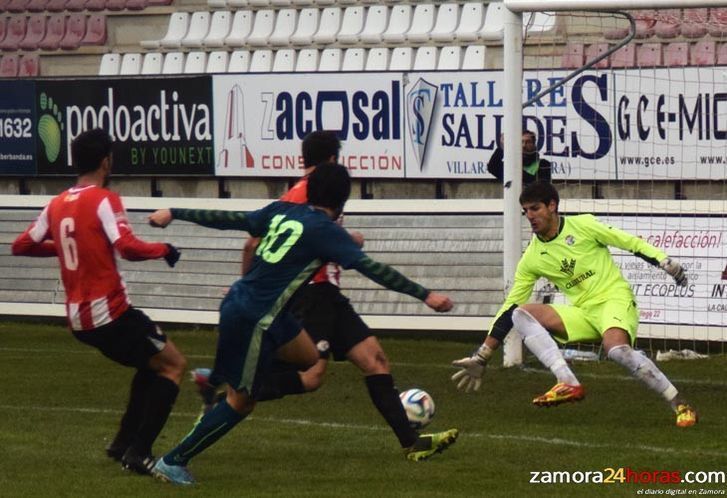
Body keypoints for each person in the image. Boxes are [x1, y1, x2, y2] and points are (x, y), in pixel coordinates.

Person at [148, 163, 458, 485]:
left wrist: (174, 210)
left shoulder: (283, 210)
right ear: (342, 202)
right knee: (242, 402)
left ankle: (220, 374)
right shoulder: (324, 230)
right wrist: (425, 294)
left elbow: (231, 220)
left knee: (309, 358)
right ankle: (174, 460)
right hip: (256, 316)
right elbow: (373, 269)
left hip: (258, 309)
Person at [450, 181, 698, 428]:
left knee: (616, 350)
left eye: (535, 208)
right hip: (582, 312)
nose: (530, 216)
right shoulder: (532, 258)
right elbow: (508, 308)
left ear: (552, 206)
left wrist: (663, 261)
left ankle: (680, 404)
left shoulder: (584, 225)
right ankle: (567, 381)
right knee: (520, 313)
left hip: (614, 299)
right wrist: (483, 355)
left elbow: (628, 242)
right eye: (526, 211)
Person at [11, 128, 187, 474]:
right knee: (174, 366)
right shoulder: (104, 199)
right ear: (106, 161)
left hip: (79, 319)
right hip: (110, 312)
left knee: (150, 365)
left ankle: (123, 441)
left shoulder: (57, 203)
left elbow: (22, 245)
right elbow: (127, 247)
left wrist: (65, 249)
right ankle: (139, 452)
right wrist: (164, 249)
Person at [487, 130, 552, 185]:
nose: (524, 145)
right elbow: (492, 167)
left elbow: (538, 184)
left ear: (534, 145)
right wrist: (503, 147)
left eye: (528, 142)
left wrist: (513, 171)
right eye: (521, 142)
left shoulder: (543, 164)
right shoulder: (512, 164)